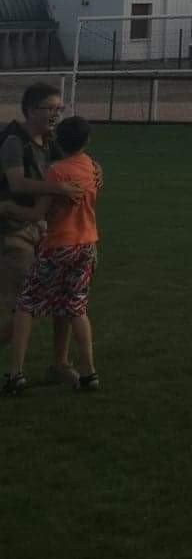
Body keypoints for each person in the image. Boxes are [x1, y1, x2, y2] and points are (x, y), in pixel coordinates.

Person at [2, 114, 102, 396]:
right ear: (87, 140)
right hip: (87, 245)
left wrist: (8, 208)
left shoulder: (56, 172)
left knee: (26, 304)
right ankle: (88, 372)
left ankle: (15, 374)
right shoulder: (92, 167)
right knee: (76, 308)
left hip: (58, 246)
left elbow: (37, 213)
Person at [0, 82, 83, 386]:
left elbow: (73, 162)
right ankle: (17, 371)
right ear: (31, 110)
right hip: (14, 234)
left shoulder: (50, 141)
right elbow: (18, 184)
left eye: (59, 109)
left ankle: (59, 365)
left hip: (45, 234)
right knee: (24, 308)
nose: (56, 114)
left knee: (62, 299)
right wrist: (56, 187)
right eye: (51, 109)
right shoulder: (13, 142)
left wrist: (94, 169)